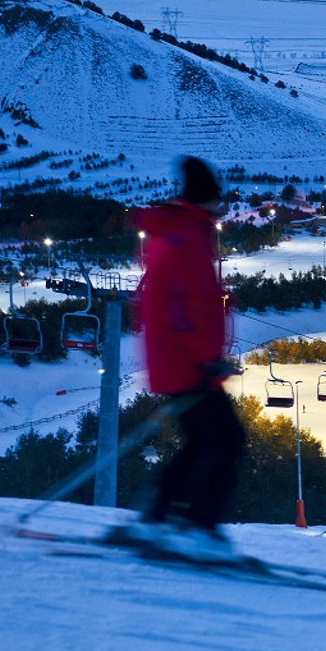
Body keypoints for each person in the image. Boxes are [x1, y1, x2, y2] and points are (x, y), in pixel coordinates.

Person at [110, 156, 245, 561]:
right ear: (206, 197)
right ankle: (199, 528)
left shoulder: (180, 231)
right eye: (216, 197)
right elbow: (178, 308)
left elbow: (186, 302)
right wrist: (205, 359)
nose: (220, 205)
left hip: (178, 360)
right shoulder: (187, 237)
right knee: (228, 439)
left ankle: (156, 518)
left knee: (202, 441)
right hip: (187, 363)